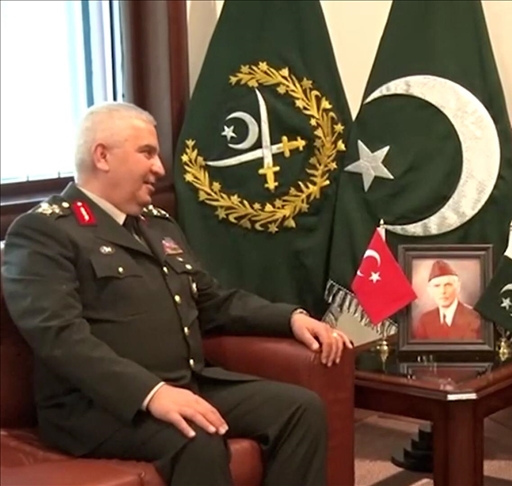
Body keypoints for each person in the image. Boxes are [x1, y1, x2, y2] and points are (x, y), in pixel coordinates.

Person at [0, 102, 354, 486]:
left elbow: (212, 300)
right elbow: (59, 337)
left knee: (300, 410)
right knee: (196, 437)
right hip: (95, 407)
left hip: (184, 384)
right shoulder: (44, 231)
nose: (159, 168)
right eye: (147, 153)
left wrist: (290, 318)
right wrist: (151, 393)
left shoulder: (156, 224)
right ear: (102, 156)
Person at [412, 260, 482, 340]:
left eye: (448, 285)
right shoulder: (425, 320)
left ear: (457, 287)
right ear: (430, 290)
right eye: (437, 286)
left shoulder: (473, 317)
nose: (443, 291)